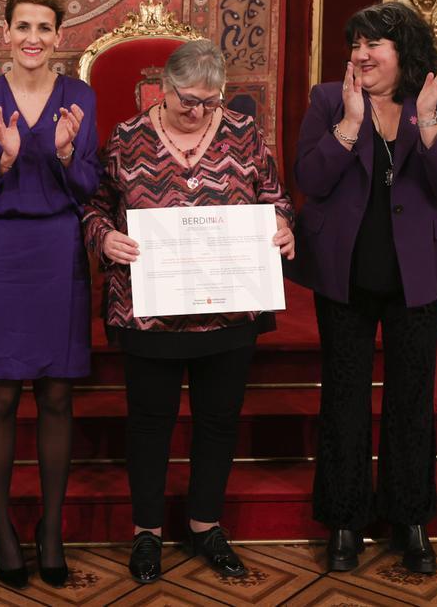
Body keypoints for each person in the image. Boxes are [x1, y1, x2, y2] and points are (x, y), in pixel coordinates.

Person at [83, 39, 295, 583]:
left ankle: (206, 526)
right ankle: (147, 533)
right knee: (150, 423)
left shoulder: (244, 134)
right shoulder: (127, 139)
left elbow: (275, 196)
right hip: (148, 311)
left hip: (228, 309)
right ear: (163, 87)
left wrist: (282, 227)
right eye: (188, 99)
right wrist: (105, 239)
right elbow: (96, 206)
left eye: (210, 100)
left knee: (218, 421)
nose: (199, 110)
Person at [289, 1, 437, 575]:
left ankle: (410, 519)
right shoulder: (327, 100)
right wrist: (347, 126)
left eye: (373, 45)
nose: (360, 55)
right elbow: (310, 180)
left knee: (411, 398)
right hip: (344, 271)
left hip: (417, 273)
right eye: (355, 45)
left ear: (405, 53)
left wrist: (427, 118)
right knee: (343, 395)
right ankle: (344, 520)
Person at [0, 0, 99, 589]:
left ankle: (51, 529)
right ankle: (2, 530)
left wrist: (65, 156)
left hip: (58, 251)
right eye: (23, 26)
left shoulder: (80, 97)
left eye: (45, 28)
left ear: (58, 37)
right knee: (1, 397)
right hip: (1, 253)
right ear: (5, 33)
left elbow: (90, 186)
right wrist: (5, 161)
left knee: (58, 396)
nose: (33, 38)